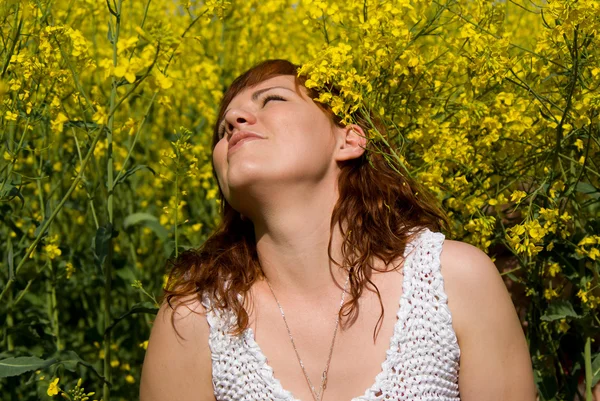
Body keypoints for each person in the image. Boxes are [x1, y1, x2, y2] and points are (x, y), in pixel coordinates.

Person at [139, 59, 537, 401]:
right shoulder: (194, 320)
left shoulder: (454, 281)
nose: (232, 121)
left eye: (272, 99)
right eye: (224, 130)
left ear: (349, 140)